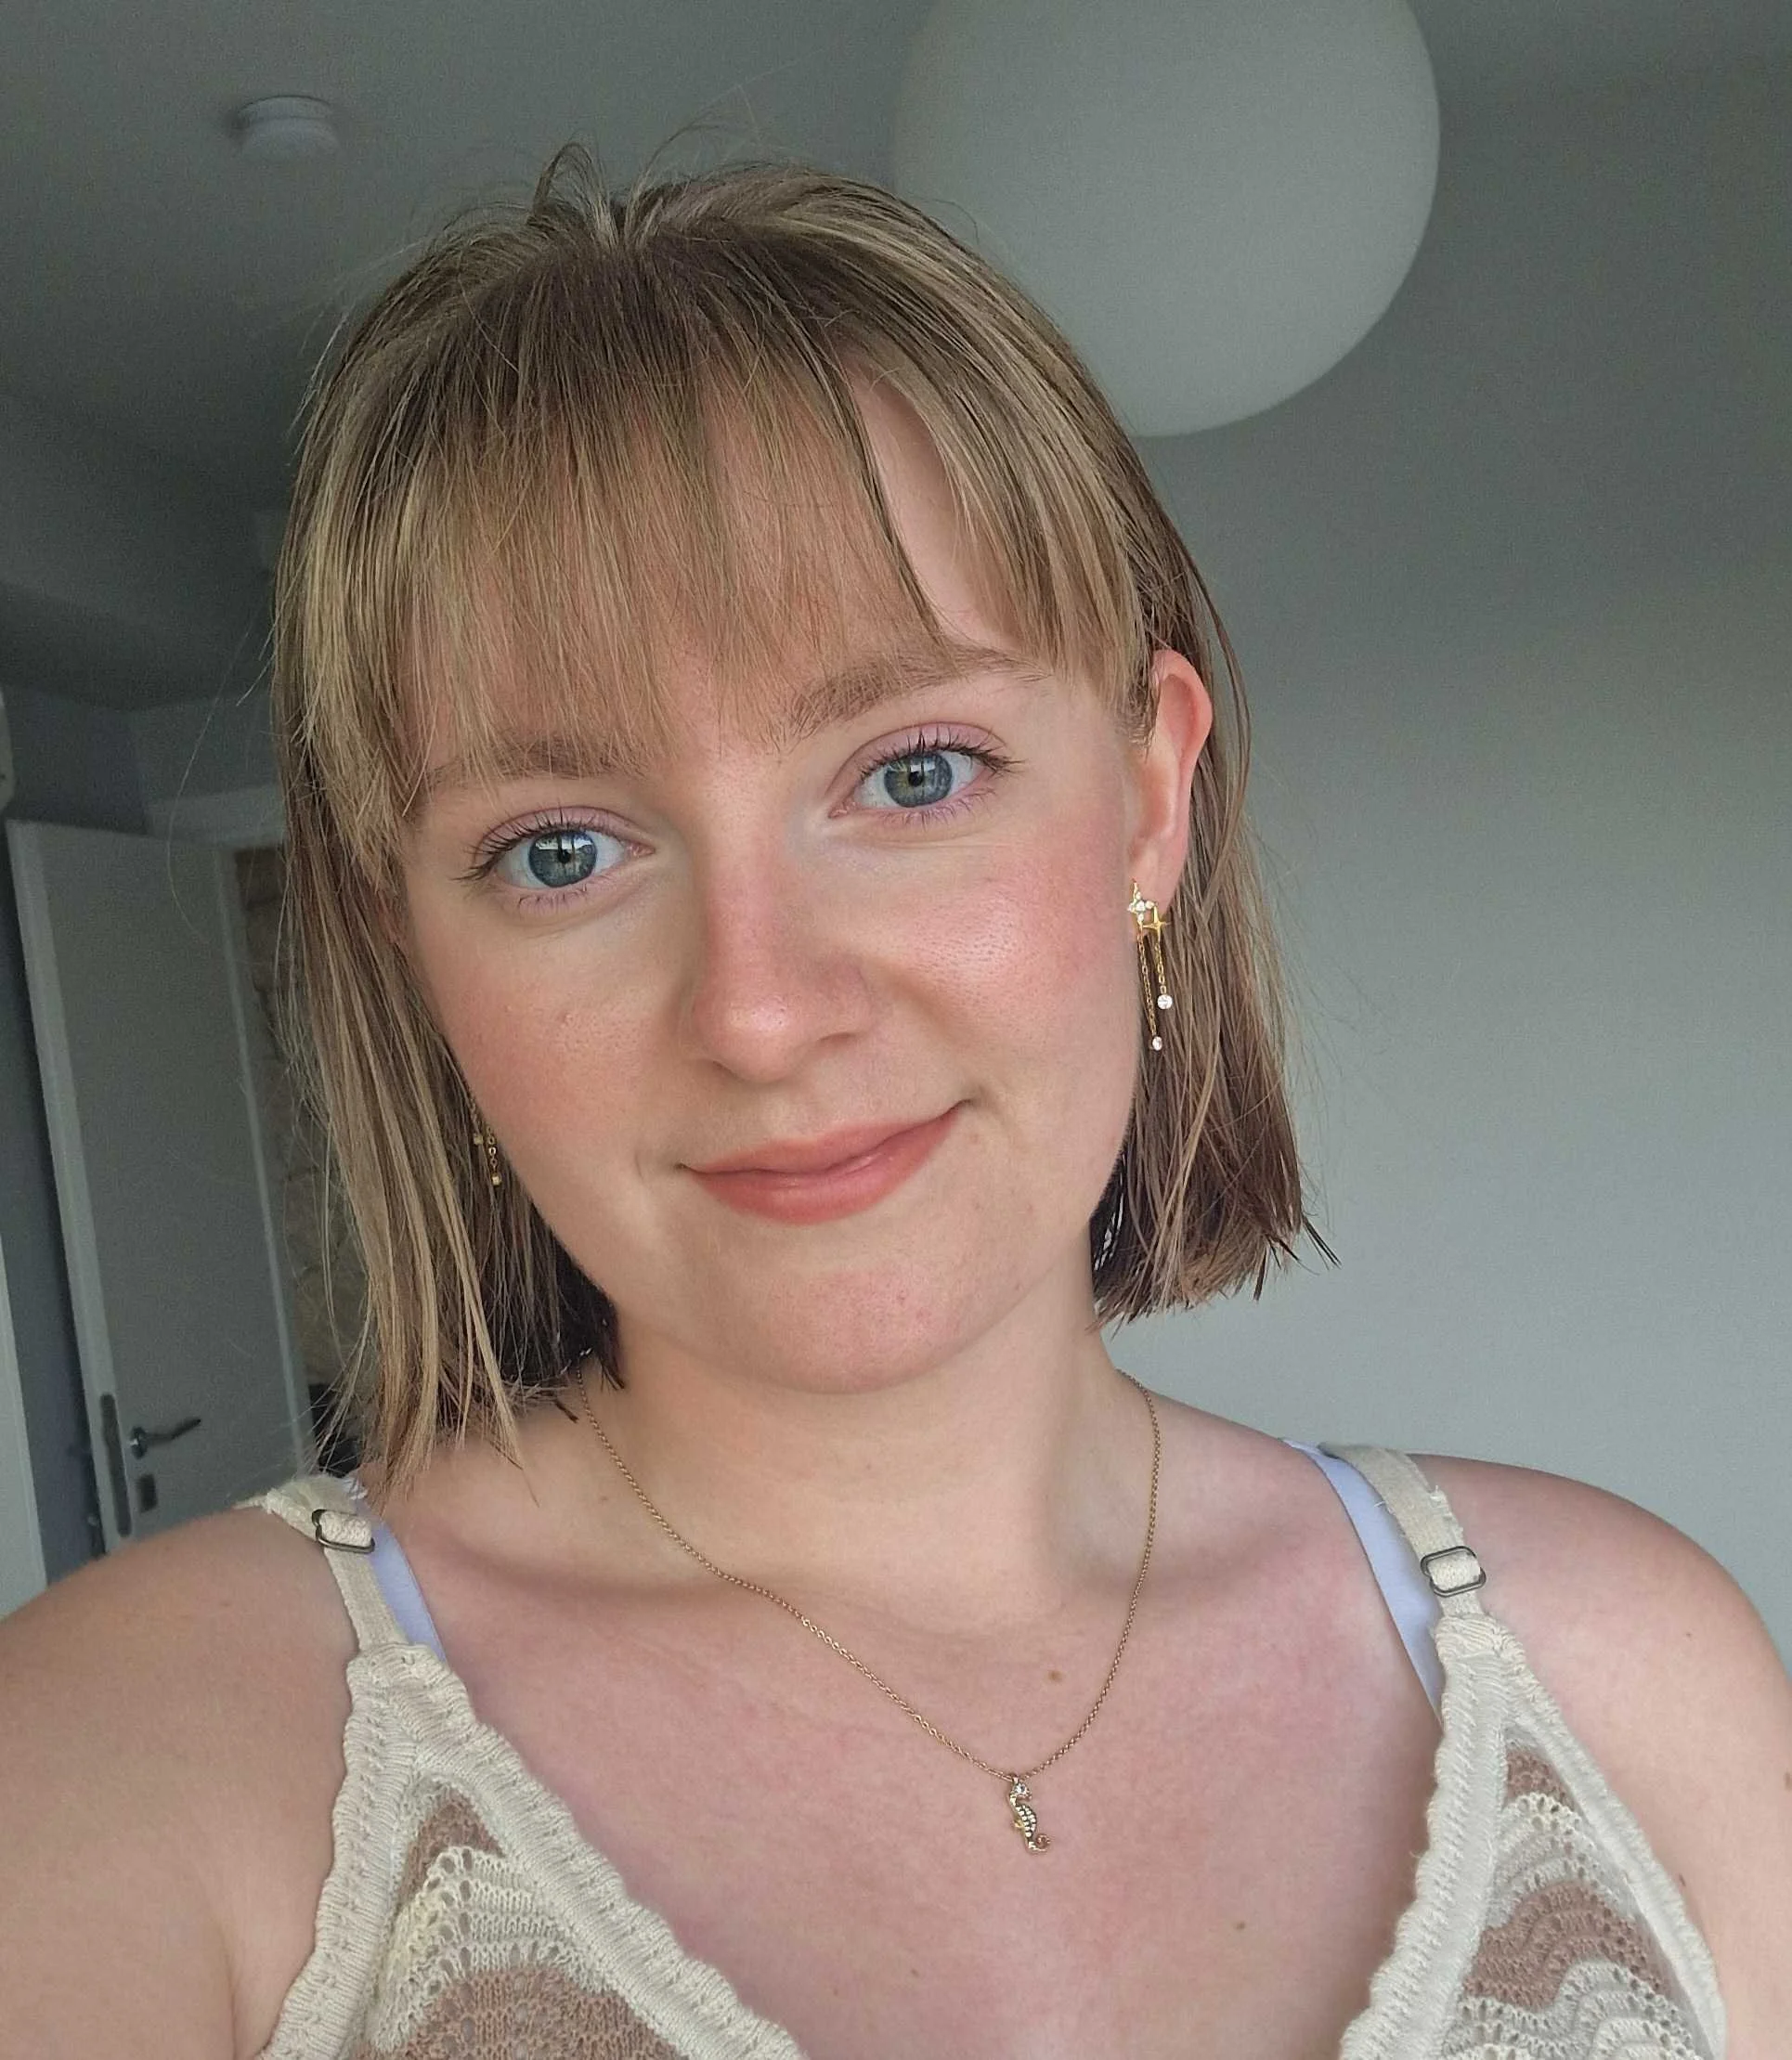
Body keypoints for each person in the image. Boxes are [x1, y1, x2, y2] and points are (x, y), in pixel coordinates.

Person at [1, 143, 1786, 2060]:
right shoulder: (138, 1763)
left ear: (1149, 795)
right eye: (558, 850)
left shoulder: (1625, 1667)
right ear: (414, 949)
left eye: (913, 773)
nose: (760, 1009)